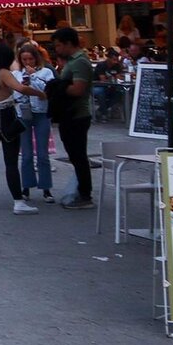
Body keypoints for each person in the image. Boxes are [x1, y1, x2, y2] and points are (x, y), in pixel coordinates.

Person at [0, 43, 46, 213]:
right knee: (10, 161)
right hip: (5, 116)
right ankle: (18, 201)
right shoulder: (3, 73)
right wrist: (40, 93)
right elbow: (20, 88)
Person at [51, 27, 95, 210]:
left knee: (78, 156)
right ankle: (80, 190)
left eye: (59, 45)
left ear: (68, 43)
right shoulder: (71, 62)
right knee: (75, 155)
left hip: (77, 114)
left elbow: (78, 89)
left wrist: (59, 87)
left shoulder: (79, 62)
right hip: (69, 114)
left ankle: (85, 194)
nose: (57, 49)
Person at [13, 44, 55, 203]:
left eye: (30, 59)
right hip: (24, 112)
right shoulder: (16, 74)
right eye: (24, 59)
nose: (28, 62)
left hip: (41, 112)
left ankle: (46, 188)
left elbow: (47, 91)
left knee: (43, 154)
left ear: (36, 58)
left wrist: (34, 77)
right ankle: (26, 186)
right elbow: (15, 93)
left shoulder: (46, 72)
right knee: (26, 154)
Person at [92, 48, 126, 121]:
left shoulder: (116, 66)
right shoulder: (101, 65)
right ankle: (104, 113)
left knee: (119, 93)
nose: (115, 61)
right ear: (108, 59)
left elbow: (119, 77)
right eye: (114, 59)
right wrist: (114, 78)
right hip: (97, 86)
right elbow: (103, 79)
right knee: (100, 92)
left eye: (116, 59)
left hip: (110, 86)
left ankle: (101, 110)